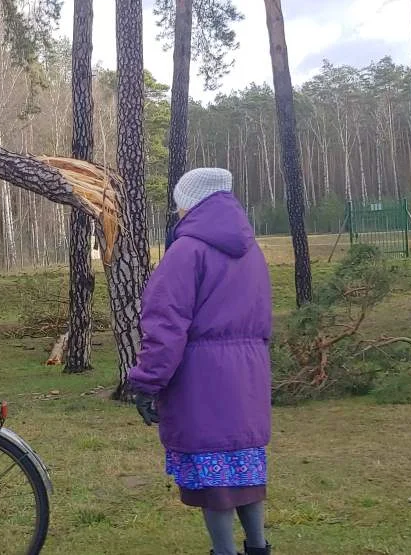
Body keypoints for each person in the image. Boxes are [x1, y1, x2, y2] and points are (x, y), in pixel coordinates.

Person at [128, 167, 273, 555]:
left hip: (202, 383)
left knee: (214, 485)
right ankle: (258, 547)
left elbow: (165, 325)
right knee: (244, 473)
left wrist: (146, 381)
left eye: (179, 206)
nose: (178, 214)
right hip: (248, 379)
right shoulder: (251, 249)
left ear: (191, 204)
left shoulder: (187, 251)